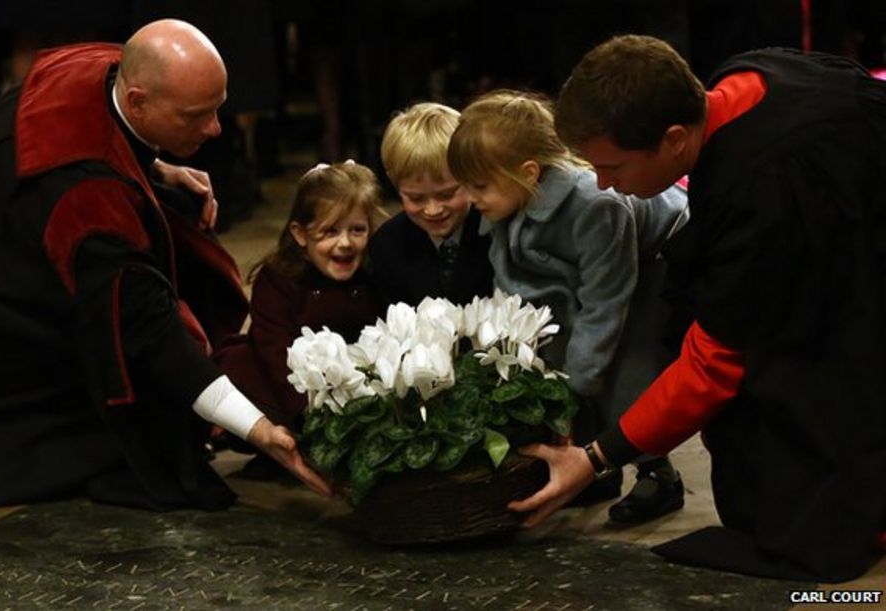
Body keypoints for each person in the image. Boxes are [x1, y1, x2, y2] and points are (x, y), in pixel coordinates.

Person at [0, 19, 329, 510]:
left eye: (218, 109)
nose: (215, 129)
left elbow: (103, 136)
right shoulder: (86, 201)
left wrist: (154, 162)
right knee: (139, 424)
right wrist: (258, 430)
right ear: (137, 102)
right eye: (196, 115)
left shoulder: (96, 64)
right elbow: (150, 328)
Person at [511, 35, 886, 582]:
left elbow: (716, 363)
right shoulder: (751, 73)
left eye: (613, 166)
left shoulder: (763, 188)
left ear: (674, 139)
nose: (603, 184)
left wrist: (594, 458)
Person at [447, 90, 689, 524]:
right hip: (595, 274)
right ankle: (596, 468)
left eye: (478, 186)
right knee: (562, 344)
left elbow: (604, 304)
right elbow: (512, 284)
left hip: (657, 263)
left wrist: (574, 389)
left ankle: (656, 471)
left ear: (528, 173)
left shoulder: (597, 206)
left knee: (624, 364)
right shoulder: (509, 198)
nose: (469, 198)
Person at [215, 161, 382, 433]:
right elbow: (274, 351)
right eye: (330, 231)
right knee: (238, 364)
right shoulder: (279, 278)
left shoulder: (374, 271)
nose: (345, 243)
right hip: (292, 389)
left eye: (357, 230)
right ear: (300, 234)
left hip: (359, 387)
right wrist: (311, 420)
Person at [370, 102, 494, 307]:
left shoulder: (497, 232)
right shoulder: (386, 246)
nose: (433, 210)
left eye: (447, 194)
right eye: (416, 198)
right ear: (395, 185)